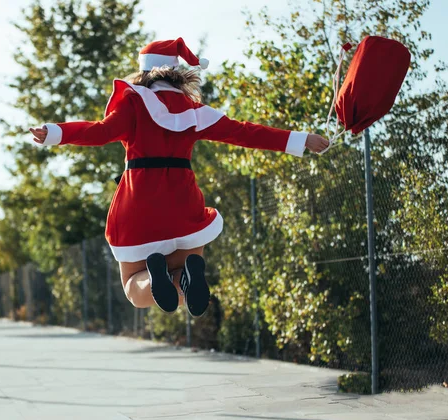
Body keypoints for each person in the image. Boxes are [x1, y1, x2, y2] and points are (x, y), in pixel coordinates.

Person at [30, 38, 329, 317]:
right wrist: (301, 139)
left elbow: (99, 131)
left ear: (144, 71)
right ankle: (183, 275)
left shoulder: (133, 103)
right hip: (183, 207)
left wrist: (56, 132)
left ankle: (159, 278)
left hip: (139, 206)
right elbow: (245, 132)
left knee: (134, 288)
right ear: (177, 74)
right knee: (182, 282)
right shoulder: (195, 112)